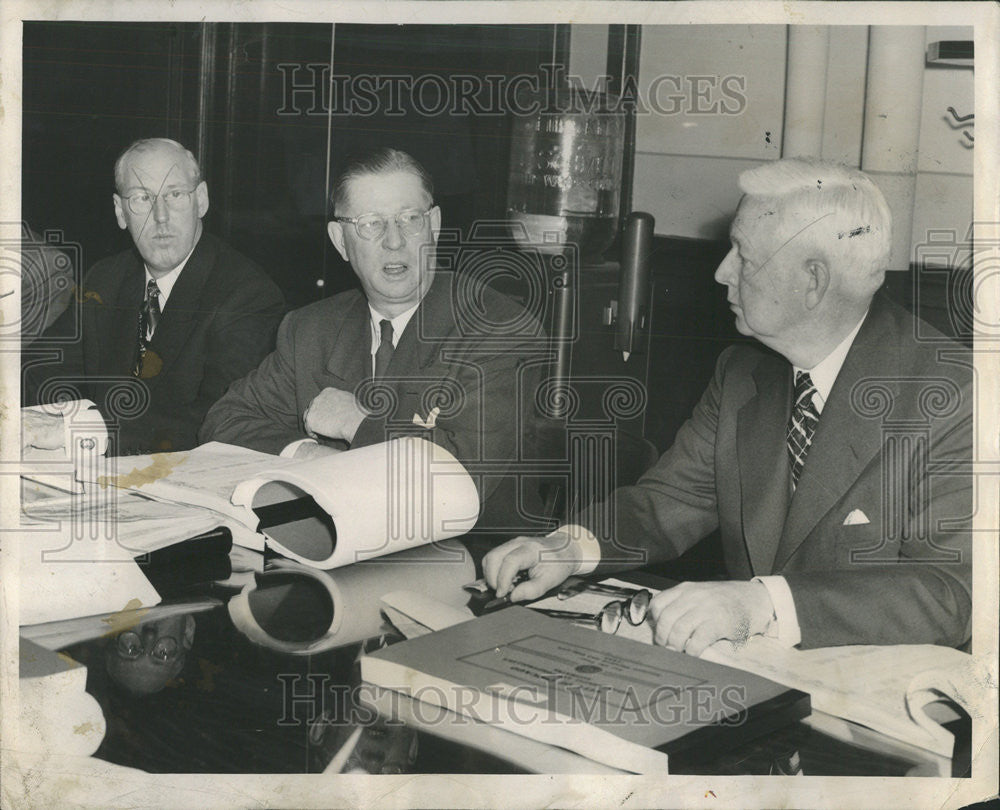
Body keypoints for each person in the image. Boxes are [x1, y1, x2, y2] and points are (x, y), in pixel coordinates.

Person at [484, 158, 972, 653]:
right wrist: (566, 549)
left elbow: (954, 593)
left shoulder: (956, 393)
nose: (721, 273)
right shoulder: (744, 373)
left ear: (813, 282)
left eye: (743, 254)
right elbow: (669, 502)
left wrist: (762, 604)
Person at [200, 147, 548, 539]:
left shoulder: (497, 327)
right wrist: (314, 457)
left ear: (433, 224)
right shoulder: (310, 329)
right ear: (340, 240)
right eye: (371, 224)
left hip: (471, 563)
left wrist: (357, 422)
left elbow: (456, 483)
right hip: (335, 553)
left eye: (409, 219)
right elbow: (224, 420)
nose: (394, 241)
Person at [22, 138, 285, 454]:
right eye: (142, 198)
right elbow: (37, 371)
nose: (161, 216)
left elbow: (219, 420)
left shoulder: (246, 294)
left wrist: (78, 430)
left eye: (175, 195)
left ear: (200, 200)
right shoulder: (105, 280)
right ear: (121, 212)